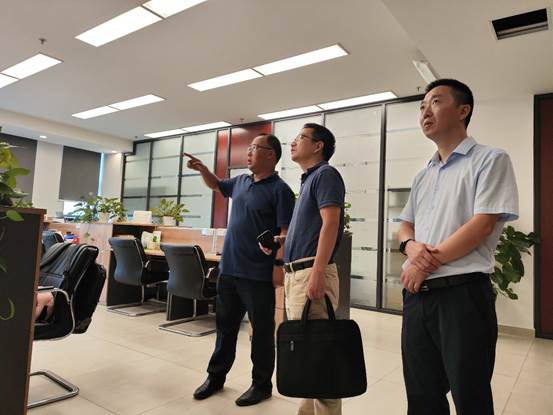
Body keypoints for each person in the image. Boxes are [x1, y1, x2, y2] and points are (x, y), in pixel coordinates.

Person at [397, 79, 519, 414]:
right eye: (422, 105)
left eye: (436, 102)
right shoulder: (424, 174)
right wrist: (410, 247)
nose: (425, 111)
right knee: (421, 396)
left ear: (463, 110)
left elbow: (482, 225)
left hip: (462, 296)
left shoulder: (490, 159)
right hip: (417, 298)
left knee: (470, 396)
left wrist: (422, 263)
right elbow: (405, 226)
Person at [187, 133, 295, 406]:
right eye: (249, 148)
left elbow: (285, 233)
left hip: (257, 274)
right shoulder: (241, 182)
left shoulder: (280, 190)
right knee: (225, 329)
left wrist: (278, 266)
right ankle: (215, 378)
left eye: (254, 148)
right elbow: (217, 185)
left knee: (261, 334)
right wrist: (203, 169)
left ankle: (261, 385)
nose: (248, 152)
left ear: (271, 155)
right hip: (229, 270)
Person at [279, 123, 345, 415]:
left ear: (318, 146)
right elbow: (313, 228)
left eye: (301, 138)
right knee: (307, 355)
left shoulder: (325, 174)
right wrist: (283, 242)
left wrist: (318, 273)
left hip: (310, 273)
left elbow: (331, 224)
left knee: (320, 357)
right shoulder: (308, 180)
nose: (293, 143)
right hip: (297, 274)